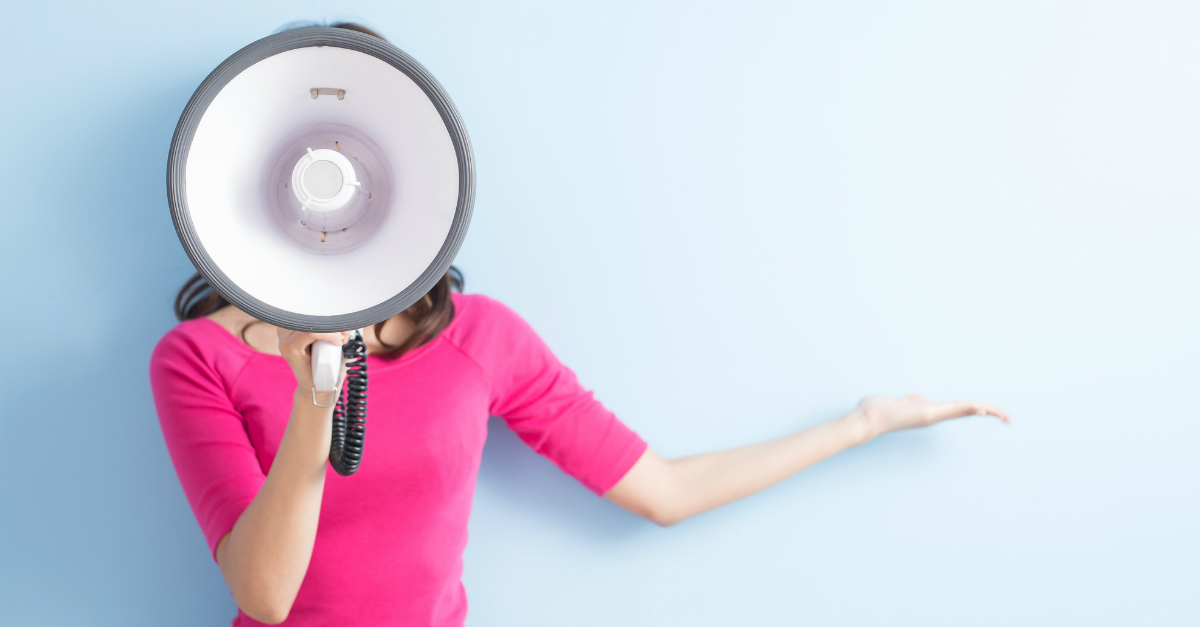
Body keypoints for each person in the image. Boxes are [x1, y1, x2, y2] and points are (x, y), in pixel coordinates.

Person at [151, 24, 1008, 627]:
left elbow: (663, 491)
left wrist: (863, 424)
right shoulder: (200, 358)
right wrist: (316, 407)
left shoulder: (481, 338)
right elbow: (265, 594)